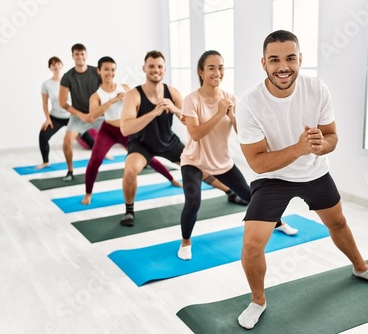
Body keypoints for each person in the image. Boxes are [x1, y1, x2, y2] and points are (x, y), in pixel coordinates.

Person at [235, 30, 368, 329]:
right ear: (263, 63)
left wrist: (322, 145)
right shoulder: (250, 103)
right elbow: (256, 163)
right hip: (273, 177)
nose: (283, 66)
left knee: (338, 222)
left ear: (300, 59)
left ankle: (361, 267)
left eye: (290, 58)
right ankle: (258, 300)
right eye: (275, 60)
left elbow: (332, 136)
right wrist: (299, 147)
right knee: (253, 244)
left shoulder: (317, 88)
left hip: (315, 171)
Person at [178, 50, 298, 260]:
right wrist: (218, 113)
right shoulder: (192, 100)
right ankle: (185, 242)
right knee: (193, 201)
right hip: (194, 162)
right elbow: (195, 134)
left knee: (251, 196)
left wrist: (232, 115)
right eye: (211, 68)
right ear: (201, 72)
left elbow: (241, 133)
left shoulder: (230, 98)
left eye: (221, 67)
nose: (217, 72)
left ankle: (278, 222)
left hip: (222, 162)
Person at [120, 50, 249, 227]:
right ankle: (129, 210)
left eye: (159, 67)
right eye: (151, 66)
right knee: (130, 170)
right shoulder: (133, 95)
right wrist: (154, 112)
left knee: (199, 167)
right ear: (144, 68)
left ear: (164, 70)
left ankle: (229, 192)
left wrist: (173, 108)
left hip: (168, 141)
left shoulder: (172, 92)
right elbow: (126, 128)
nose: (155, 70)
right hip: (142, 144)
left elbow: (188, 116)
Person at [81, 56, 182, 205]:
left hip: (127, 131)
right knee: (95, 160)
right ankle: (88, 193)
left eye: (112, 69)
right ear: (99, 71)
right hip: (108, 130)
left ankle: (171, 179)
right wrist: (112, 101)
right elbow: (93, 115)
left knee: (148, 157)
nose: (110, 73)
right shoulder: (96, 96)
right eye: (106, 70)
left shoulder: (126, 89)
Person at [59, 43, 103, 181]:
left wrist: (96, 112)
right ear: (73, 56)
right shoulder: (67, 76)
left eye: (82, 54)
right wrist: (81, 115)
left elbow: (106, 91)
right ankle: (70, 171)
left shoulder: (97, 72)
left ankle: (143, 163)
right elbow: (62, 102)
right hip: (78, 115)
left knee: (124, 134)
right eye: (77, 54)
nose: (80, 57)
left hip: (98, 114)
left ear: (86, 55)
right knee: (67, 141)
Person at [36, 56, 70, 169]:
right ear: (50, 68)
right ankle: (45, 162)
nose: (56, 66)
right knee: (43, 136)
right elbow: (45, 103)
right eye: (53, 65)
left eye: (58, 63)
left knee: (87, 135)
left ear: (62, 65)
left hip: (72, 117)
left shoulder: (70, 80)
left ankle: (103, 153)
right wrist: (47, 119)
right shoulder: (46, 84)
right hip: (55, 117)